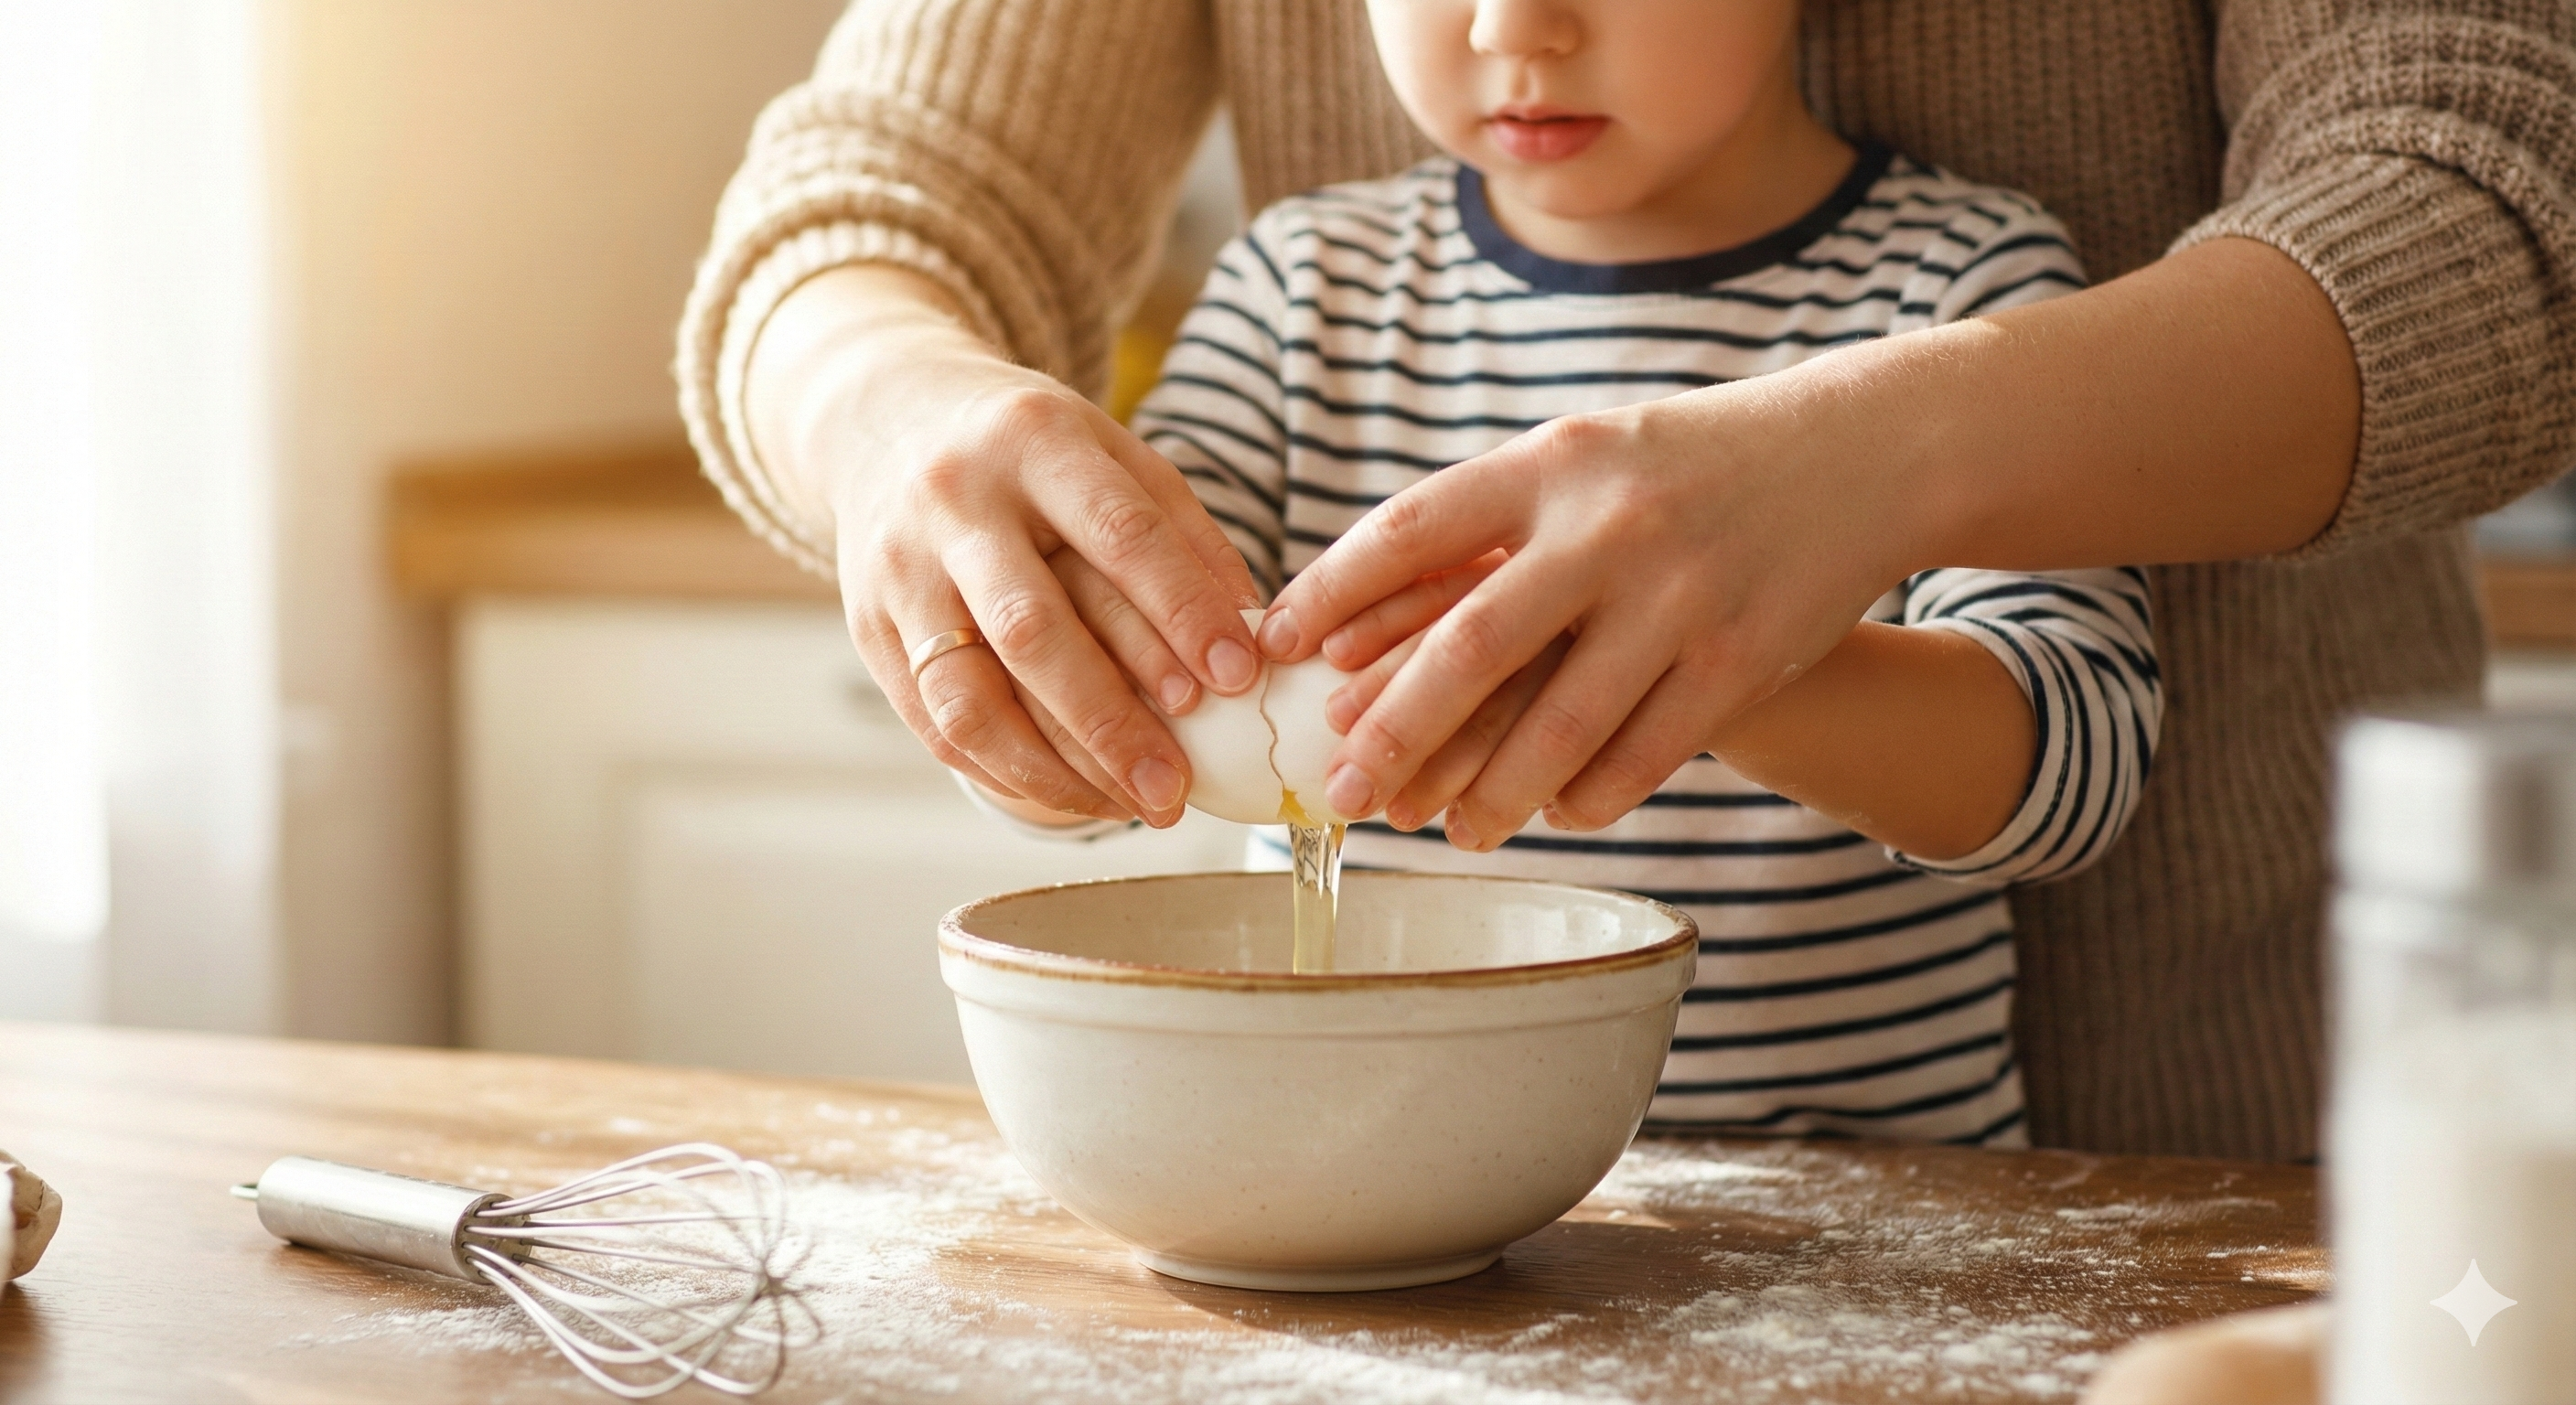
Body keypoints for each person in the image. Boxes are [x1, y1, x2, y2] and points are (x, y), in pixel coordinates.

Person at [679, 0, 2576, 1161]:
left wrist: (1741, 661)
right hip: (1389, 1209)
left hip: (1889, 1219)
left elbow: (2064, 765)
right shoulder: (1294, 296)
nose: (1517, 23)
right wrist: (1025, 657)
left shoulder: (1963, 278)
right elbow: (1183, 687)